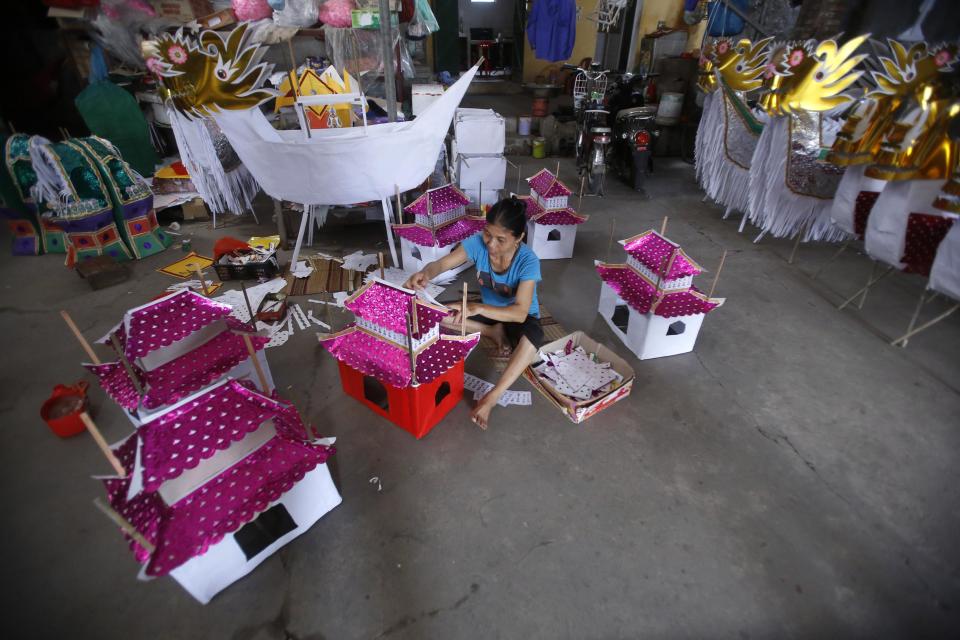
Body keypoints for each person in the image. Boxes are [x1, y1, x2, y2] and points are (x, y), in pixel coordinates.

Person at [404, 196, 543, 429]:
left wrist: (476, 308)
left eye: (501, 239)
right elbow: (442, 264)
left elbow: (519, 313)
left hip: (517, 316)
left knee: (533, 341)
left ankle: (492, 397)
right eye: (488, 234)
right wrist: (426, 274)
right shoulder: (477, 243)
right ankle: (491, 330)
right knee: (437, 312)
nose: (490, 244)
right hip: (488, 313)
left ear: (519, 238)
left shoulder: (528, 261)